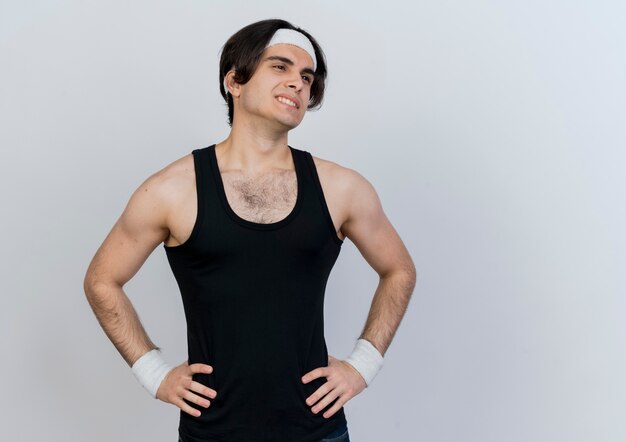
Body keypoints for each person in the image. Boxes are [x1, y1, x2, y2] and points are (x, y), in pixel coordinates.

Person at [83, 18, 416, 442]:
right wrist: (154, 374)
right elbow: (101, 280)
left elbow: (399, 270)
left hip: (317, 431)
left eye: (306, 76)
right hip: (213, 432)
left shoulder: (343, 188)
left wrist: (362, 365)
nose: (298, 82)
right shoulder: (171, 190)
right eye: (280, 67)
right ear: (235, 81)